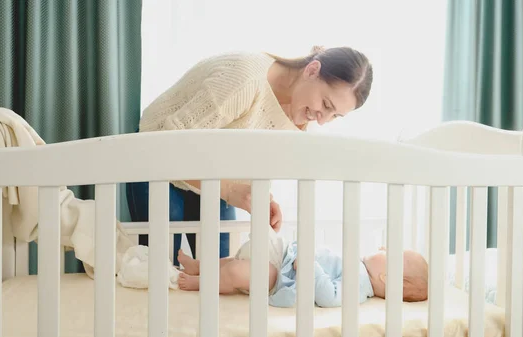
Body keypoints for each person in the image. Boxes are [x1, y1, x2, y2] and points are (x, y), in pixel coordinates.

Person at [126, 45, 374, 266]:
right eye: (327, 105)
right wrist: (230, 191)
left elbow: (244, 158)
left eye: (335, 116)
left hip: (211, 180)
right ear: (312, 70)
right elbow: (165, 148)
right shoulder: (244, 80)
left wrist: (257, 196)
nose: (322, 120)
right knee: (161, 270)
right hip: (157, 164)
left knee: (220, 272)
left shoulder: (301, 117)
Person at [176, 235, 429, 308]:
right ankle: (199, 266)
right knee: (235, 260)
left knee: (238, 271)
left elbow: (328, 296)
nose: (382, 247)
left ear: (386, 278)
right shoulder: (359, 267)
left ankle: (200, 282)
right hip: (286, 254)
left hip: (283, 278)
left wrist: (310, 266)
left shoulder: (359, 285)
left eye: (389, 253)